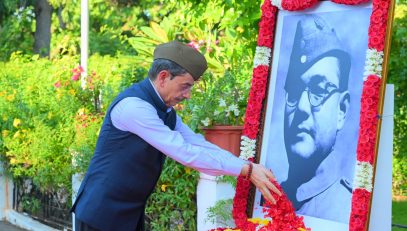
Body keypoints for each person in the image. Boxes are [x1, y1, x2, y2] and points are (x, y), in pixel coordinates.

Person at [71, 41, 281, 231]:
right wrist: (246, 170)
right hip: (101, 213)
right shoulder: (134, 108)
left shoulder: (166, 110)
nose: (188, 95)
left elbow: (197, 144)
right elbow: (184, 152)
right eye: (185, 85)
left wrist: (246, 165)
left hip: (128, 212)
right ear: (163, 77)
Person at [280, 15, 352, 223]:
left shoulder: (348, 210)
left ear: (341, 110)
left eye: (319, 90)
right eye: (294, 90)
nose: (302, 106)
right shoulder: (267, 199)